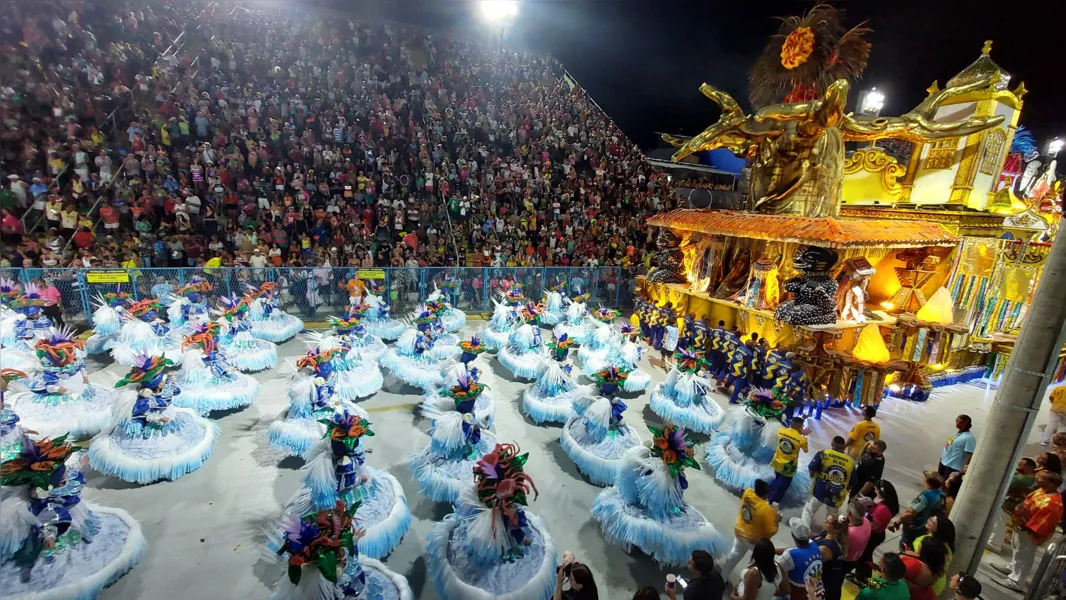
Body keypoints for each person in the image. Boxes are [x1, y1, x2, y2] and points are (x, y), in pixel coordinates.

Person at [993, 470, 1065, 591]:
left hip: (1030, 530)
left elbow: (1044, 523)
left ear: (1051, 484)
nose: (1037, 479)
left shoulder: (1054, 503)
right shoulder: (1042, 490)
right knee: (1017, 549)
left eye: (1041, 479)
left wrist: (1025, 526)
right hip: (1021, 524)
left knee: (1024, 554)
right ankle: (1012, 568)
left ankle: (1016, 581)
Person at [721, 479, 781, 578]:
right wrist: (777, 519)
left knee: (734, 554)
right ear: (766, 494)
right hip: (755, 541)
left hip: (740, 532)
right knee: (761, 564)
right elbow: (772, 530)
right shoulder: (766, 510)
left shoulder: (747, 492)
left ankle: (723, 578)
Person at [803, 436, 854, 531]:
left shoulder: (824, 454)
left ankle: (803, 532)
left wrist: (813, 476)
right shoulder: (850, 462)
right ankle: (826, 535)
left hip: (819, 490)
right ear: (844, 448)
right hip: (837, 495)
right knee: (831, 518)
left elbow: (812, 468)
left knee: (808, 511)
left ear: (832, 444)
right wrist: (844, 489)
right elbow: (852, 481)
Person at [889, 471, 945, 550]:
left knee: (906, 546)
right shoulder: (941, 493)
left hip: (915, 528)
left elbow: (910, 513)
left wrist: (896, 523)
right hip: (925, 527)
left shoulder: (926, 496)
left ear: (926, 480)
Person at [990, 458, 1037, 552]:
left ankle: (994, 543)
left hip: (1010, 504)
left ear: (1029, 467)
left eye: (1021, 465)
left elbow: (1006, 485)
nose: (1018, 467)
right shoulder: (1032, 478)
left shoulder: (1020, 479)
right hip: (1018, 505)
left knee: (1000, 522)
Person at [857, 481, 900, 580]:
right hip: (878, 533)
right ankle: (864, 574)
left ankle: (861, 577)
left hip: (873, 535)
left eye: (876, 489)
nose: (875, 491)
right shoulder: (887, 502)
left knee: (864, 556)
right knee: (866, 555)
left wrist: (863, 516)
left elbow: (874, 526)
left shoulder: (883, 510)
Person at [776, 518, 823, 600]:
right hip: (817, 591)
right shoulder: (814, 544)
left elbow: (775, 568)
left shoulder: (790, 555)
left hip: (797, 594)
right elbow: (796, 550)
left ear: (792, 535)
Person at [911, 516, 955, 595]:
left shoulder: (931, 545)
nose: (929, 520)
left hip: (926, 584)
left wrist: (908, 553)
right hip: (935, 583)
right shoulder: (944, 545)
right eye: (931, 518)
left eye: (932, 522)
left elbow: (919, 560)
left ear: (938, 529)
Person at [770, 417, 809, 505]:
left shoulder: (781, 431)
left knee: (777, 478)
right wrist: (804, 435)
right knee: (782, 487)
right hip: (788, 467)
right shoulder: (801, 439)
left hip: (777, 462)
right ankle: (772, 502)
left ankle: (769, 492)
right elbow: (806, 450)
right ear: (800, 427)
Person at [814, 515, 848, 600]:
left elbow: (811, 559)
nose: (825, 521)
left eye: (828, 522)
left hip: (828, 584)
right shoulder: (826, 533)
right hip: (833, 579)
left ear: (835, 529)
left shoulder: (827, 548)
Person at [843, 500, 872, 575]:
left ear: (849, 514)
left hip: (846, 560)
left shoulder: (849, 532)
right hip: (857, 557)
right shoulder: (867, 522)